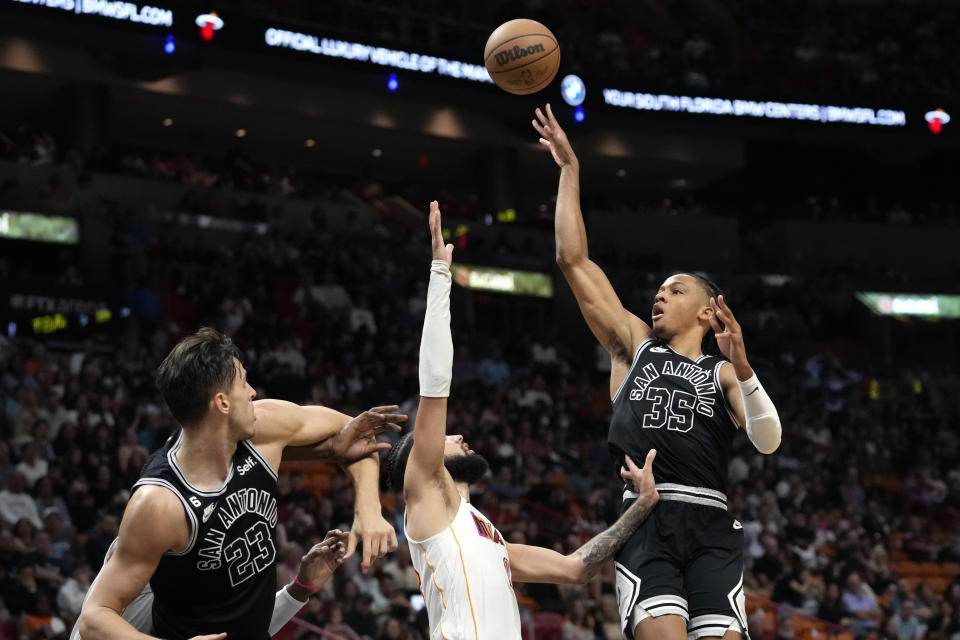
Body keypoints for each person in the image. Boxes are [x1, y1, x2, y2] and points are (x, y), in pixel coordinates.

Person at [533, 103, 782, 640]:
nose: (658, 296)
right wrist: (570, 170)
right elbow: (573, 261)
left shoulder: (722, 375)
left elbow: (767, 442)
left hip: (712, 525)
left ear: (708, 309)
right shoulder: (633, 347)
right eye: (659, 289)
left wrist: (743, 367)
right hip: (648, 518)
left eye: (675, 290)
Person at [384, 201, 660, 640]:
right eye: (446, 439)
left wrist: (641, 508)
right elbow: (435, 383)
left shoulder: (492, 540)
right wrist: (440, 275)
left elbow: (576, 570)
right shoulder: (423, 494)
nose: (456, 434)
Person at [78, 327, 404, 640]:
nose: (252, 392)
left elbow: (357, 434)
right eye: (243, 383)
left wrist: (369, 511)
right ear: (222, 403)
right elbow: (94, 618)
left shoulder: (262, 427)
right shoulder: (161, 505)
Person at [70, 530, 350, 640]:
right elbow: (90, 628)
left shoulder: (221, 570)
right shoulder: (151, 540)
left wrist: (301, 588)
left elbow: (241, 627)